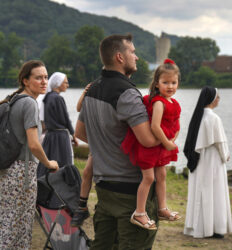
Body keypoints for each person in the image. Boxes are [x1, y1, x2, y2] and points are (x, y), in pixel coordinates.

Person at [75, 34, 160, 249]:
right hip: (131, 189)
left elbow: (81, 133)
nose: (137, 57)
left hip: (103, 187)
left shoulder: (92, 89)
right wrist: (170, 135)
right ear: (120, 57)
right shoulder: (128, 93)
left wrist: (107, 143)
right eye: (132, 52)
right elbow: (148, 141)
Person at [0, 60, 59, 249]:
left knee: (6, 223)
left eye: (46, 77)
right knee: (17, 227)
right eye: (38, 77)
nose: (44, 81)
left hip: (5, 170)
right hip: (21, 174)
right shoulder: (30, 104)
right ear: (25, 81)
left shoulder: (13, 100)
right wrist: (48, 163)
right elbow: (34, 144)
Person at [121, 58, 181, 230]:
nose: (170, 86)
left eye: (174, 82)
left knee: (161, 176)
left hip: (162, 147)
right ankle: (139, 212)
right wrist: (167, 143)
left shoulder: (173, 102)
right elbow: (155, 126)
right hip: (151, 148)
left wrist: (173, 140)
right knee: (149, 178)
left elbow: (175, 124)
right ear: (156, 84)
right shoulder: (159, 103)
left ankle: (162, 208)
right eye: (165, 82)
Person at [183, 86, 232, 238]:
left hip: (200, 161)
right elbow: (219, 142)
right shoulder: (213, 118)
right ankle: (215, 228)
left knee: (201, 191)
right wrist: (226, 155)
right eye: (218, 97)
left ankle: (197, 227)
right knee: (214, 192)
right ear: (212, 99)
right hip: (212, 160)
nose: (219, 100)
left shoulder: (198, 117)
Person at [37, 72, 78, 177]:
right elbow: (65, 119)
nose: (67, 85)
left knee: (48, 165)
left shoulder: (48, 97)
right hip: (60, 137)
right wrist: (73, 135)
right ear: (58, 83)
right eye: (65, 83)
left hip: (50, 136)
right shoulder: (58, 98)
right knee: (64, 165)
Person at [71, 83, 93, 227]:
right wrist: (85, 92)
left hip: (100, 141)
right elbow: (79, 108)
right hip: (95, 142)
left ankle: (82, 205)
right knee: (86, 172)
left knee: (88, 171)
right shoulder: (91, 96)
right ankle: (82, 206)